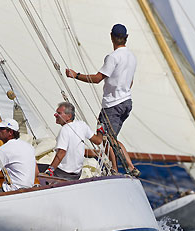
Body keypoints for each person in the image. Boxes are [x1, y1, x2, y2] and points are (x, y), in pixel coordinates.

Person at [65, 23, 139, 176]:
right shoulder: (132, 57)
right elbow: (130, 82)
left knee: (105, 138)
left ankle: (120, 169)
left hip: (113, 105)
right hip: (126, 102)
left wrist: (75, 75)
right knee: (109, 138)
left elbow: (98, 78)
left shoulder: (113, 57)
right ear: (126, 38)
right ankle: (124, 168)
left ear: (111, 37)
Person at [45, 102, 102, 180]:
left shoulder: (65, 129)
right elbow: (98, 141)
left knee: (35, 168)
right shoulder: (82, 125)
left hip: (63, 173)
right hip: (76, 174)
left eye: (59, 113)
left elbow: (61, 152)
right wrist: (100, 130)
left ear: (69, 116)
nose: (55, 115)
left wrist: (50, 171)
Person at [0, 118, 38, 191]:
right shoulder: (29, 146)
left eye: (1, 128)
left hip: (13, 190)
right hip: (28, 188)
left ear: (10, 132)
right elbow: (36, 172)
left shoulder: (4, 149)